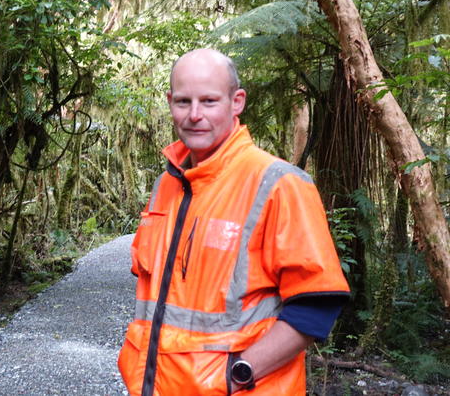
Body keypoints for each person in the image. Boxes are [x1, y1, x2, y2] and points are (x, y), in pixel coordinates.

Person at [117, 49, 350, 395]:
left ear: (236, 101)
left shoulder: (279, 184)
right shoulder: (167, 185)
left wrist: (240, 374)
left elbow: (315, 307)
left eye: (209, 101)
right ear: (169, 102)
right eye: (183, 101)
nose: (195, 115)